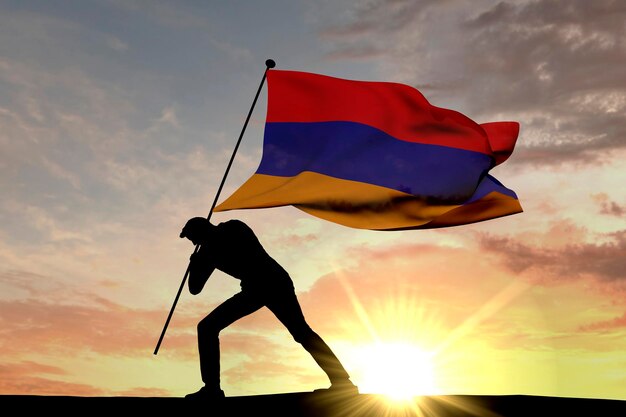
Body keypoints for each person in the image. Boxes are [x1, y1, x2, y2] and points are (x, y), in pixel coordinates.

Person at [180, 217, 358, 400]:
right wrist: (195, 265)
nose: (193, 242)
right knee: (207, 327)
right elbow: (195, 289)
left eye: (192, 237)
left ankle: (342, 382)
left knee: (300, 332)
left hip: (273, 282)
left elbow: (247, 252)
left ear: (201, 230)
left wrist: (204, 257)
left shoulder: (233, 228)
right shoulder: (207, 252)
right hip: (254, 289)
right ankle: (212, 389)